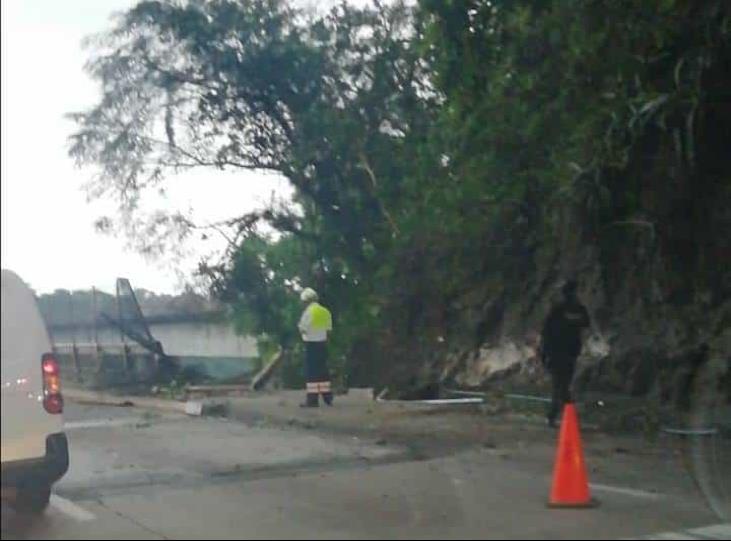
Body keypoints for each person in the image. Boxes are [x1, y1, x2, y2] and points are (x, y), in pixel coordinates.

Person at [540, 279, 590, 428]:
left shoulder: (563, 309)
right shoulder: (567, 309)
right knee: (561, 385)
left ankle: (559, 413)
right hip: (563, 351)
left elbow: (546, 332)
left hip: (563, 352)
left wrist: (544, 351)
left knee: (561, 384)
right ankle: (562, 412)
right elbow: (547, 331)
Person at [298, 288, 334, 407]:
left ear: (306, 301)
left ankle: (312, 400)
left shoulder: (309, 312)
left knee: (312, 373)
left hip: (311, 345)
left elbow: (302, 328)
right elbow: (329, 331)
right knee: (323, 371)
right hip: (322, 344)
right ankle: (327, 397)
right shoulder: (325, 311)